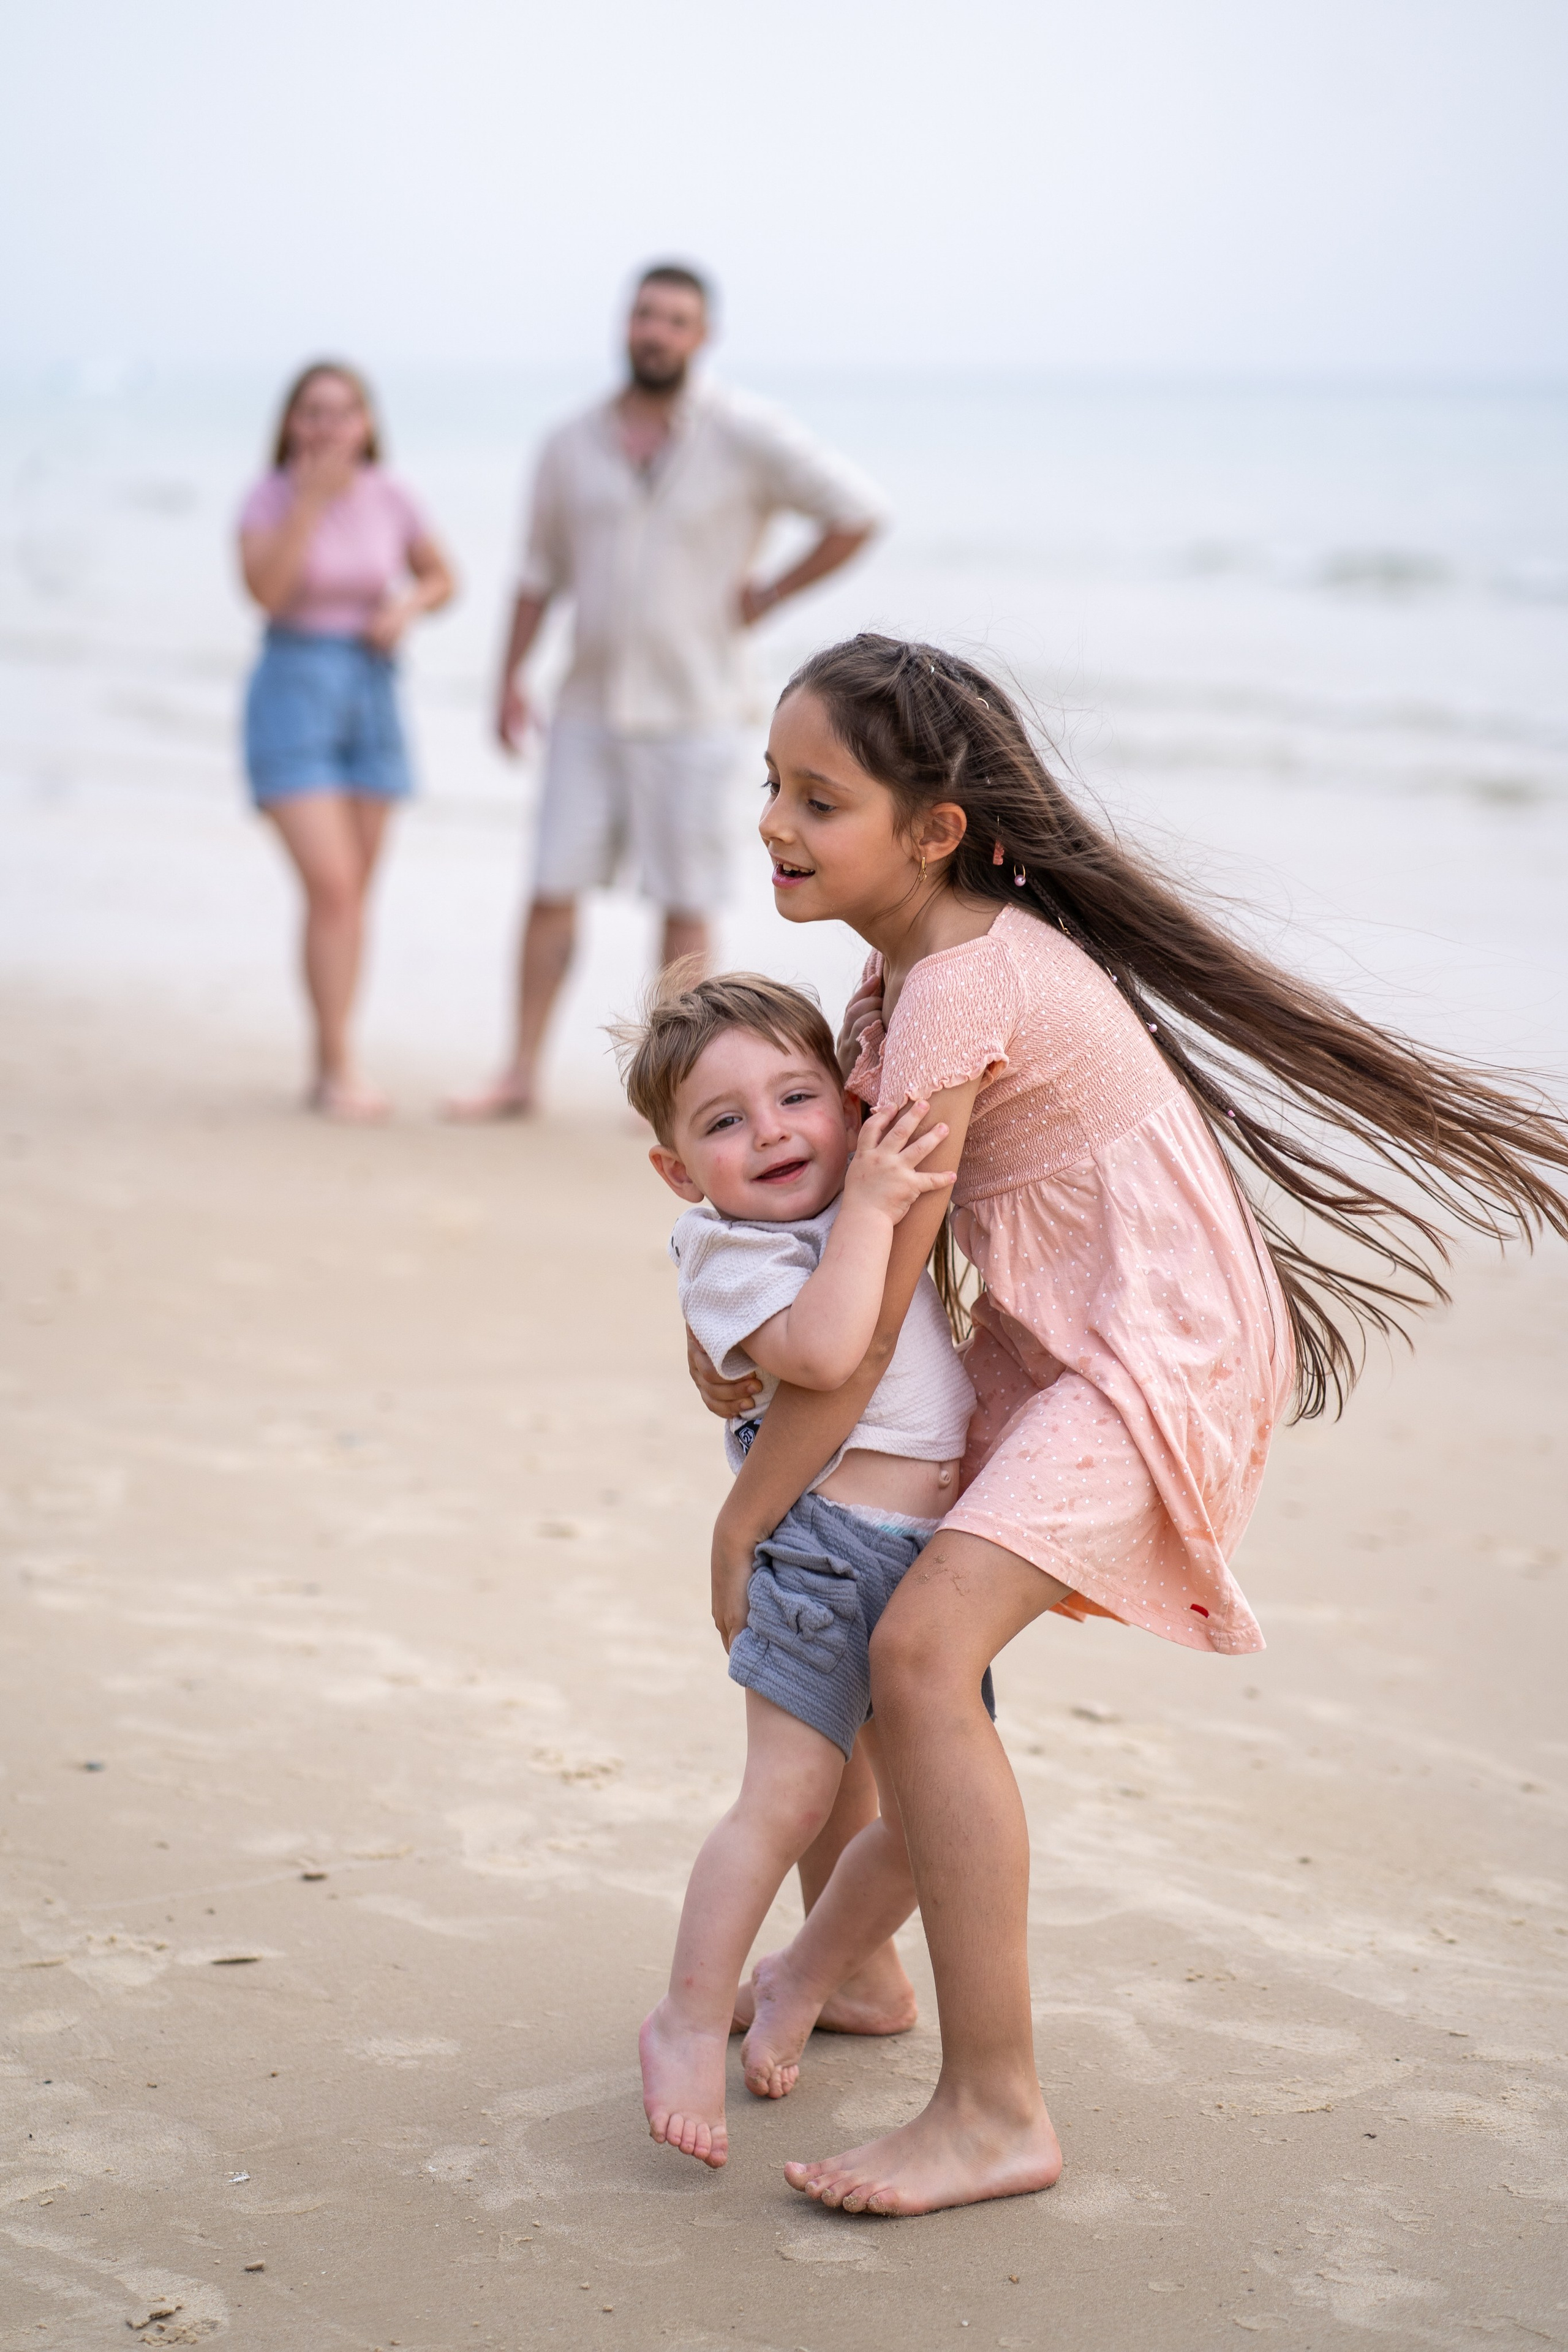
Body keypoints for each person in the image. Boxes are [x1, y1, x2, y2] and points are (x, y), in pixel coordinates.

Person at [682, 633, 1568, 2216]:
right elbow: (846, 1260)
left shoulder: (961, 988)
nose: (776, 824)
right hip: (1055, 1328)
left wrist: (746, 1515)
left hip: (1146, 1349)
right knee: (889, 1626)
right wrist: (735, 1361)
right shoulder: (899, 984)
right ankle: (865, 1975)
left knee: (919, 1654)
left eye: (820, 798)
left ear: (934, 829)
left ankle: (996, 2107)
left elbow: (878, 1315)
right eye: (772, 786)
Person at [612, 970, 975, 2168]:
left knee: (939, 1818)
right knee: (788, 1797)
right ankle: (682, 2014)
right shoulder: (728, 1252)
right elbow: (826, 1355)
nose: (770, 1131)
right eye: (723, 1122)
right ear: (678, 1170)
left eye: (794, 1095)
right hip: (822, 1550)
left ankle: (823, 1973)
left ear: (848, 1104)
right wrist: (868, 1206)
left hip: (927, 1562)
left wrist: (866, 1188)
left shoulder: (838, 1195)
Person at [447, 263, 886, 1119]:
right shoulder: (569, 442)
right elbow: (536, 574)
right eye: (646, 316)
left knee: (686, 902)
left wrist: (772, 592)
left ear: (702, 336)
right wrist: (508, 679)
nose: (657, 332)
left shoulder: (745, 431)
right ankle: (519, 1074)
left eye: (677, 320)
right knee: (550, 887)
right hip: (586, 706)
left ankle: (685, 1093)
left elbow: (857, 511)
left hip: (696, 710)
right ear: (625, 325)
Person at [238, 362, 455, 1119]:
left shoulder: (393, 495)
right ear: (290, 423)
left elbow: (443, 577)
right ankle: (337, 1069)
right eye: (312, 413)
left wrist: (407, 605)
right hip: (293, 692)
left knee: (351, 898)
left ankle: (331, 1058)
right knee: (330, 888)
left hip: (372, 692)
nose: (327, 427)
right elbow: (265, 591)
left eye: (342, 412)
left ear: (367, 423)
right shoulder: (268, 497)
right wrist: (310, 502)